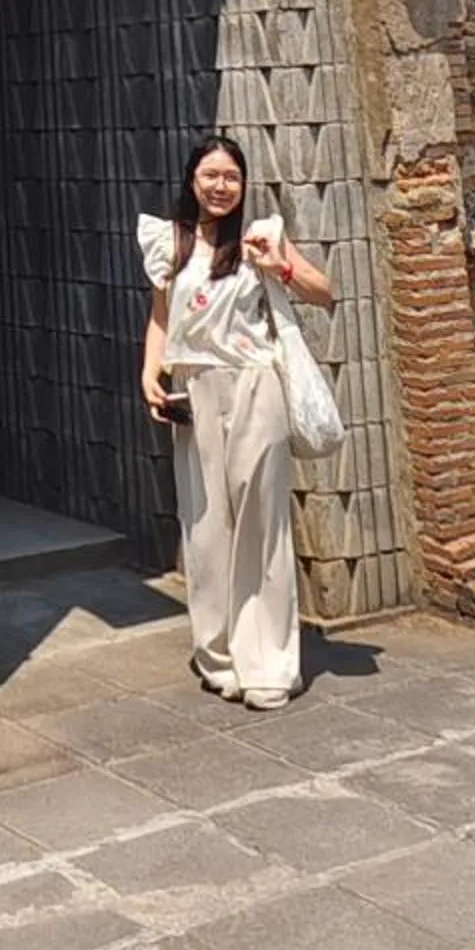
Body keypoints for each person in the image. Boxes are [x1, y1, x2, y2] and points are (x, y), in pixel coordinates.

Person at [138, 132, 335, 709]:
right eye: (210, 176)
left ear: (243, 184)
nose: (221, 186)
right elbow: (160, 317)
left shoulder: (261, 237)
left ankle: (270, 661)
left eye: (231, 177)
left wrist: (280, 269)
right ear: (191, 180)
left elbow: (326, 293)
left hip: (255, 387)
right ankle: (218, 654)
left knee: (262, 520)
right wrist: (151, 373)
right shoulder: (168, 240)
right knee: (204, 528)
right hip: (194, 387)